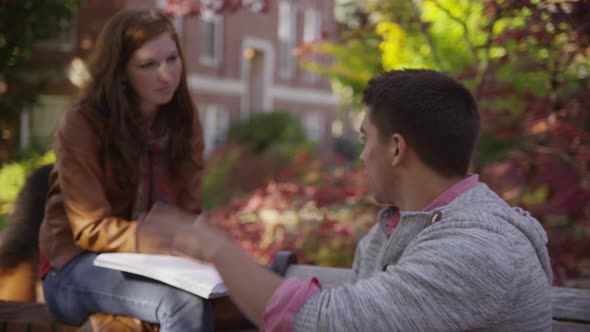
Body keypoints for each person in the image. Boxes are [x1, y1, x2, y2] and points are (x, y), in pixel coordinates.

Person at [144, 69, 553, 331]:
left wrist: (215, 247)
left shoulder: (478, 250)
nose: (360, 156)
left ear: (396, 149)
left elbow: (320, 321)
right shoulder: (393, 230)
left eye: (364, 140)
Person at [38, 9, 212, 332]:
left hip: (157, 265)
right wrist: (162, 240)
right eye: (148, 65)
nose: (166, 75)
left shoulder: (185, 123)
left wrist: (198, 242)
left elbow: (188, 212)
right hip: (73, 266)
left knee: (240, 296)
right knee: (182, 303)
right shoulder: (83, 123)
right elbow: (89, 228)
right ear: (120, 72)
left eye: (172, 59)